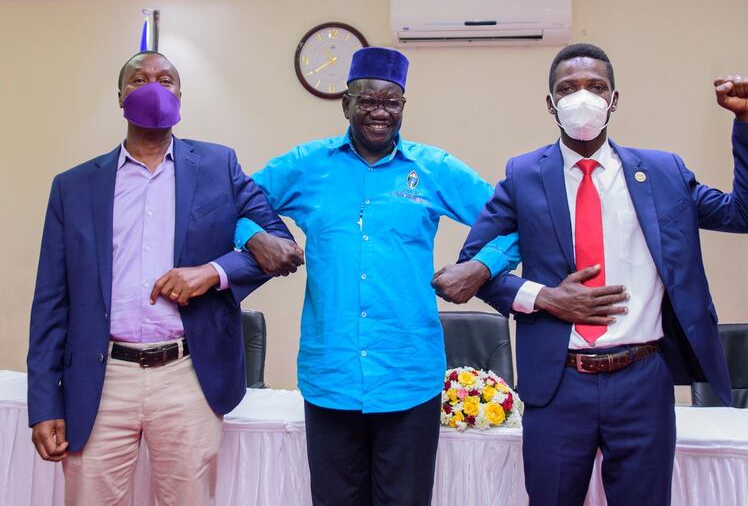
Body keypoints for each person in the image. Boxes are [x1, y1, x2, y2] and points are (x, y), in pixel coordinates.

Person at [433, 43, 748, 506]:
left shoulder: (663, 172)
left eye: (596, 87)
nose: (583, 97)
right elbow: (473, 268)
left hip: (642, 379)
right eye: (567, 89)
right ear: (551, 104)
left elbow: (747, 215)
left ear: (614, 100)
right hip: (558, 382)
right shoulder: (524, 174)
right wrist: (544, 297)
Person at [235, 47, 518, 506]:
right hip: (331, 374)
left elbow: (514, 219)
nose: (379, 112)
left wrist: (481, 266)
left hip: (409, 375)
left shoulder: (433, 168)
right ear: (346, 104)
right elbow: (232, 202)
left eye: (391, 102)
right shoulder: (308, 164)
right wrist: (254, 236)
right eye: (367, 101)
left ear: (403, 106)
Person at [27, 50, 303, 506]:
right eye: (139, 80)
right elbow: (50, 302)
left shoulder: (219, 166)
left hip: (187, 374)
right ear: (120, 97)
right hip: (100, 378)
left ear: (180, 96)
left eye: (166, 79)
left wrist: (212, 273)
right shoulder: (73, 186)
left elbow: (280, 246)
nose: (153, 87)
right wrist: (44, 402)